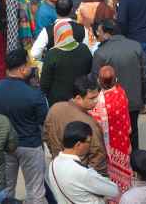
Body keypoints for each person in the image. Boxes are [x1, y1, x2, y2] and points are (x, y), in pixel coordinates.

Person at [0, 48, 49, 204]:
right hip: (31, 146)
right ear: (23, 69)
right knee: (35, 191)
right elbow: (44, 121)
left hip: (5, 146)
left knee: (6, 190)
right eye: (29, 65)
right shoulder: (34, 94)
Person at [91, 19, 146, 149]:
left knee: (113, 136)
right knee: (133, 132)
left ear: (107, 33)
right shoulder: (136, 46)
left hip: (110, 105)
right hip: (133, 101)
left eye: (99, 32)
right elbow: (144, 76)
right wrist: (144, 99)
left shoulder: (100, 53)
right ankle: (134, 163)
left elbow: (96, 80)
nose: (98, 35)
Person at [44, 75, 109, 175]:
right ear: (78, 98)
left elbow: (46, 136)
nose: (96, 101)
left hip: (57, 168)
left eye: (97, 97)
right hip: (79, 175)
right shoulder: (89, 124)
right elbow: (98, 158)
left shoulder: (54, 109)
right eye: (92, 98)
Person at [46, 121, 120, 204]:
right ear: (78, 144)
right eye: (89, 142)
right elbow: (114, 190)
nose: (90, 145)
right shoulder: (82, 172)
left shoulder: (53, 164)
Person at [89, 64, 135, 196]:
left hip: (108, 147)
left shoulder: (97, 102)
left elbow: (95, 123)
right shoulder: (121, 92)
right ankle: (125, 194)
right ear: (115, 79)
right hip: (122, 142)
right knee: (124, 172)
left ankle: (114, 197)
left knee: (111, 176)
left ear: (99, 81)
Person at [42, 19, 93, 105]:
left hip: (58, 102)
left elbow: (44, 84)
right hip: (80, 97)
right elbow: (89, 72)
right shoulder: (84, 48)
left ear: (56, 34)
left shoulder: (52, 54)